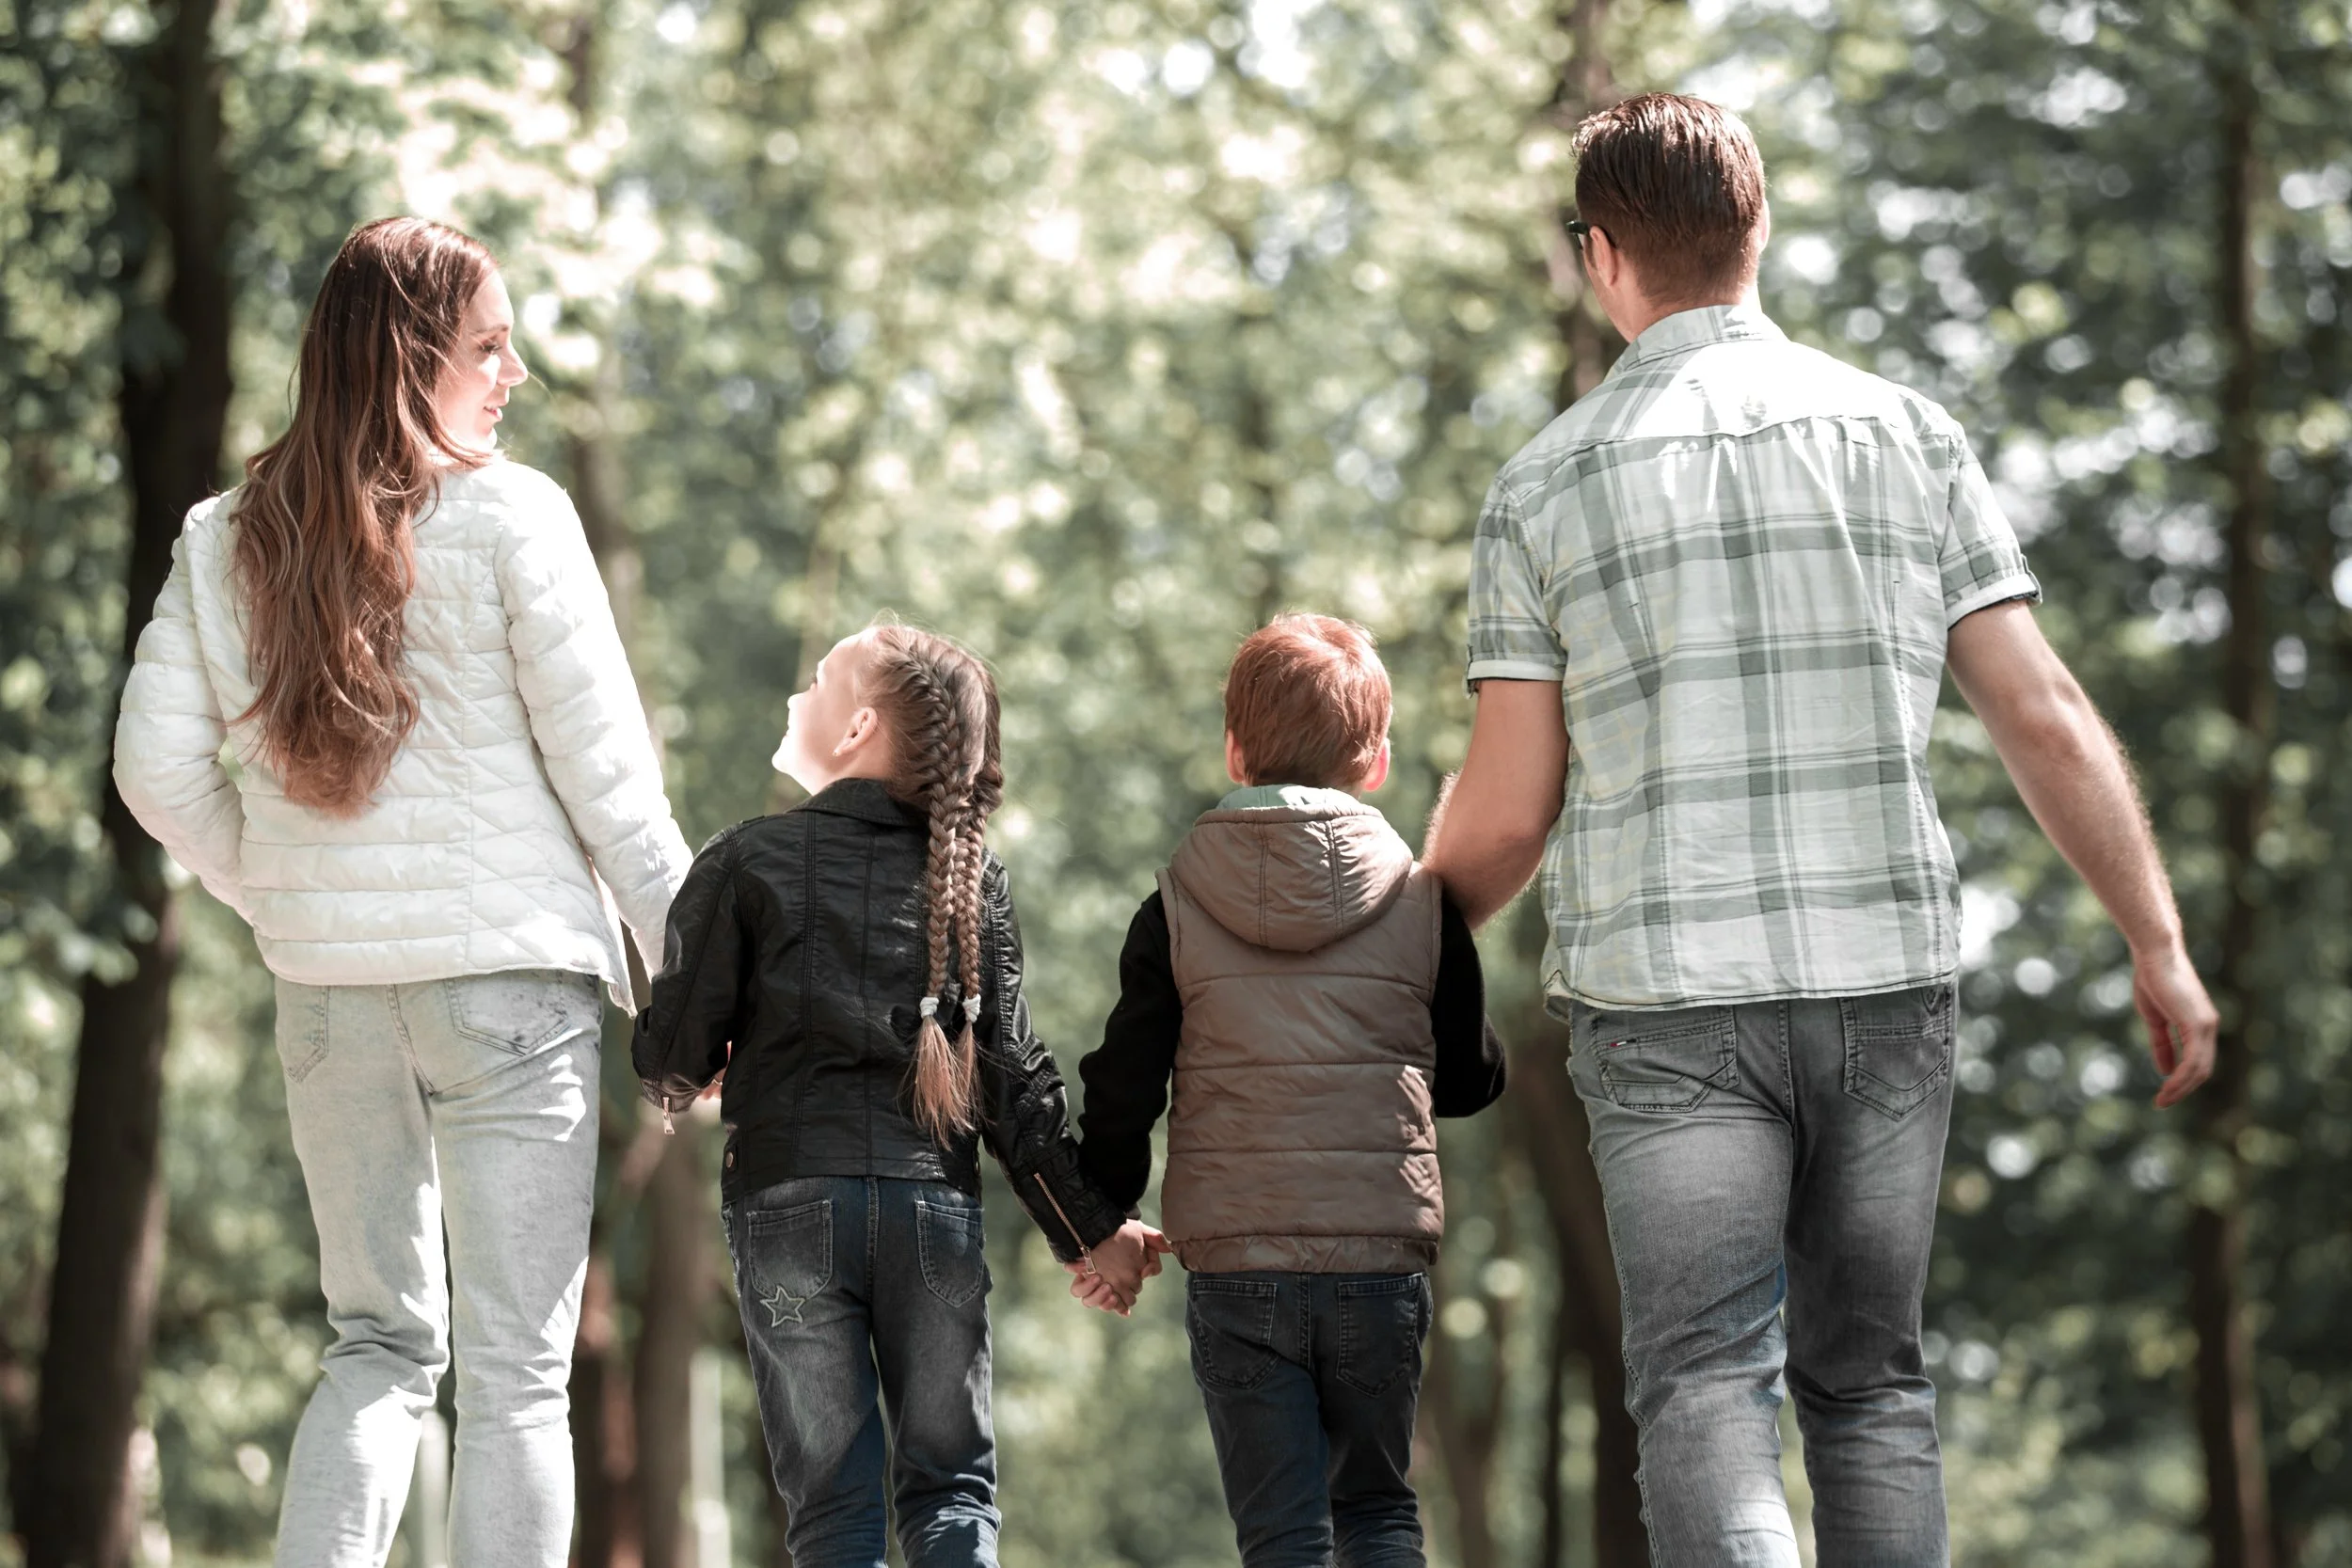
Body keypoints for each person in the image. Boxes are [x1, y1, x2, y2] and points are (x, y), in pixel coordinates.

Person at [1424, 93, 2218, 1567]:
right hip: (1883, 984)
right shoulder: (1905, 434)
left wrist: (1390, 944)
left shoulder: (1545, 481)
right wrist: (2154, 939)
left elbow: (1510, 810)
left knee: (1707, 1384)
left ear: (1601, 254)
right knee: (1872, 1387)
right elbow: (2041, 712)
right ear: (1760, 225)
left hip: (1668, 1005)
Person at [112, 216, 690, 1567]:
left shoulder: (220, 535)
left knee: (373, 1345)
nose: (515, 372)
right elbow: (613, 784)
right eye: (488, 345)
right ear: (407, 356)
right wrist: (703, 977)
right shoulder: (513, 518)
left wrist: (280, 895)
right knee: (513, 1377)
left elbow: (149, 769)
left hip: (330, 997)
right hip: (510, 996)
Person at [631, 623, 1162, 1568]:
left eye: (822, 679)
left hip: (787, 1206)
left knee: (833, 1513)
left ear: (855, 729)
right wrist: (1093, 1230)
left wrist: (703, 1062)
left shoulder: (744, 860)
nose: (800, 692)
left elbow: (668, 1053)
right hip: (930, 1210)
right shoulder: (971, 885)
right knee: (952, 1492)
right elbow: (1015, 1091)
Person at [1071, 613, 1508, 1568]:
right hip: (1376, 1256)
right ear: (1377, 761)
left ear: (1234, 751)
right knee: (1381, 1514)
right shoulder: (1422, 902)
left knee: (1279, 1535)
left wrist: (1103, 1217)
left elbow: (1122, 1086)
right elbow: (1467, 1081)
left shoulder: (1176, 902)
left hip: (1236, 1263)